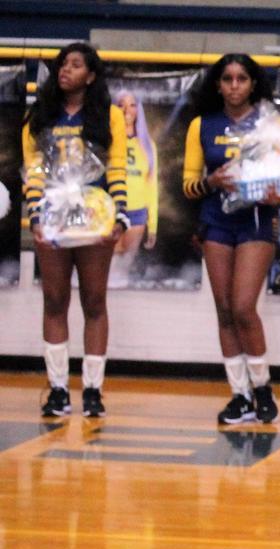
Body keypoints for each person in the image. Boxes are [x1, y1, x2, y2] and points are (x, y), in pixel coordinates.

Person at [23, 42, 128, 418]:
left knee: (94, 301)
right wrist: (36, 218)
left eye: (75, 64)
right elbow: (34, 171)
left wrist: (120, 215)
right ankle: (57, 390)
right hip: (53, 215)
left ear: (91, 75)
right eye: (62, 64)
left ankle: (94, 390)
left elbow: (117, 167)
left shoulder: (110, 115)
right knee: (54, 300)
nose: (65, 70)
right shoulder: (40, 115)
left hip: (94, 214)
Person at [183, 53, 280, 425]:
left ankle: (263, 387)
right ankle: (239, 395)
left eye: (242, 78)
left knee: (242, 307)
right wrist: (212, 181)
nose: (235, 85)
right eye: (228, 79)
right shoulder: (202, 125)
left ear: (253, 84)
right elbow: (188, 185)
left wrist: (276, 194)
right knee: (224, 310)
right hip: (216, 222)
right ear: (218, 85)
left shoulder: (271, 123)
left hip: (256, 221)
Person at [110, 90, 158, 286]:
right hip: (110, 211)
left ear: (138, 110)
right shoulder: (107, 140)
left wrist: (153, 225)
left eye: (132, 105)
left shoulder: (148, 145)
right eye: (121, 105)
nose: (126, 110)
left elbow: (152, 187)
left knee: (123, 268)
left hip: (137, 212)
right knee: (108, 265)